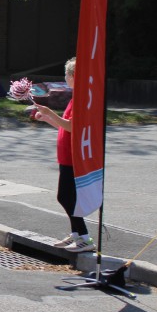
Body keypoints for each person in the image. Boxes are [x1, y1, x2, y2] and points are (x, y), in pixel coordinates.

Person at [31, 57, 95, 253]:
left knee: (66, 197)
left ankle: (84, 237)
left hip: (72, 155)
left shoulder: (82, 99)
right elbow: (64, 126)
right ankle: (76, 234)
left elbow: (72, 127)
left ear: (74, 76)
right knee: (67, 196)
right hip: (66, 154)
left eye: (66, 74)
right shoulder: (75, 98)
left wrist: (50, 112)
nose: (65, 77)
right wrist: (47, 118)